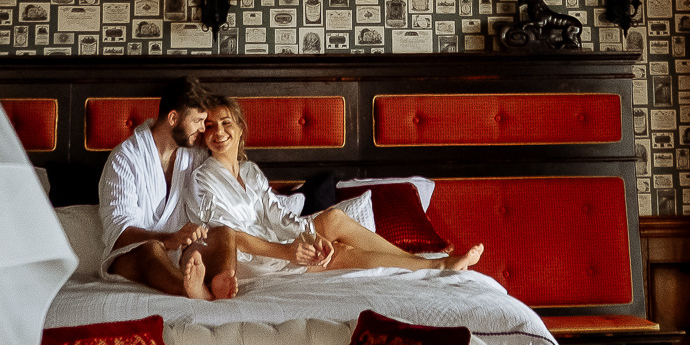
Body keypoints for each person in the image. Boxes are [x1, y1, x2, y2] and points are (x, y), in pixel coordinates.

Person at [184, 98, 482, 299]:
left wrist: (309, 238)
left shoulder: (249, 171)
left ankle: (418, 260)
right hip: (250, 260)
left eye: (226, 123)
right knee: (341, 253)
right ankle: (436, 268)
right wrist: (288, 252)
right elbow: (228, 236)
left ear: (240, 128)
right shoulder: (202, 178)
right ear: (203, 136)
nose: (219, 132)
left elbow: (278, 215)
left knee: (334, 219)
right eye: (210, 126)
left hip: (277, 241)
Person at [100, 77, 216, 298]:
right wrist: (169, 239)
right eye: (198, 121)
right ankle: (191, 290)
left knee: (225, 234)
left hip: (182, 254)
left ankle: (219, 282)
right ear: (173, 118)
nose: (203, 128)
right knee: (151, 247)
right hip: (133, 256)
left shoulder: (195, 155)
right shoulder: (125, 158)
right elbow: (120, 232)